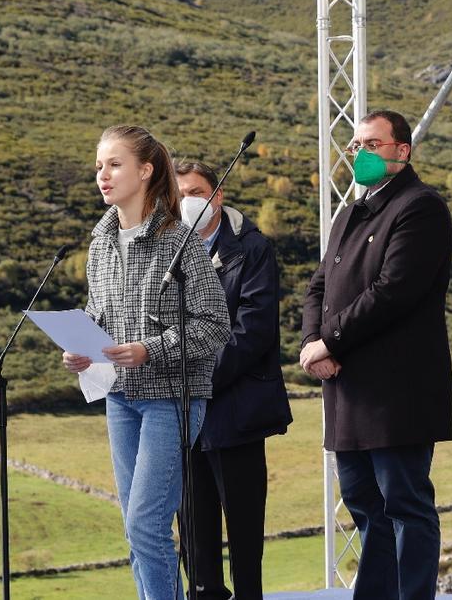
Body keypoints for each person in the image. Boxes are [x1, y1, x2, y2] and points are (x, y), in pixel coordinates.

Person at [62, 125, 231, 600]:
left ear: (145, 170)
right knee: (135, 530)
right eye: (99, 166)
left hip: (171, 400)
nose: (103, 175)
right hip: (119, 398)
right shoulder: (100, 244)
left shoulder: (181, 242)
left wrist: (149, 349)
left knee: (146, 526)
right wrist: (80, 347)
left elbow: (216, 326)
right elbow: (99, 313)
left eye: (114, 164)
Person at [300, 110, 452, 600]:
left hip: (397, 392)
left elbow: (394, 292)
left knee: (405, 504)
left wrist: (331, 341)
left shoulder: (420, 206)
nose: (359, 154)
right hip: (347, 390)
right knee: (364, 504)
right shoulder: (352, 210)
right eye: (355, 145)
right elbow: (319, 286)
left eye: (371, 144)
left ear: (401, 151)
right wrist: (310, 344)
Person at [174, 161, 293, 600]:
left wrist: (199, 378)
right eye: (180, 192)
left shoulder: (252, 248)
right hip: (184, 417)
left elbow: (254, 330)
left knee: (244, 529)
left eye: (196, 191)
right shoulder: (171, 250)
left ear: (217, 195)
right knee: (193, 529)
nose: (187, 201)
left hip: (235, 410)